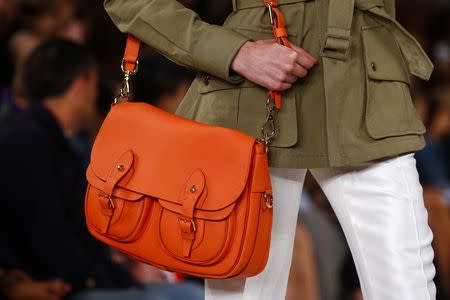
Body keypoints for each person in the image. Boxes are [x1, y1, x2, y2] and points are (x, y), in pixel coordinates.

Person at [103, 0, 437, 299]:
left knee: (408, 287)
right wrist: (235, 52)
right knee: (246, 292)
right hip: (254, 95)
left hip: (366, 91)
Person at [0, 39, 203, 300]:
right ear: (81, 85)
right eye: (96, 85)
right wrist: (114, 280)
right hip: (58, 284)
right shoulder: (29, 141)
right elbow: (51, 238)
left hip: (81, 276)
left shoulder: (45, 139)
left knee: (190, 294)